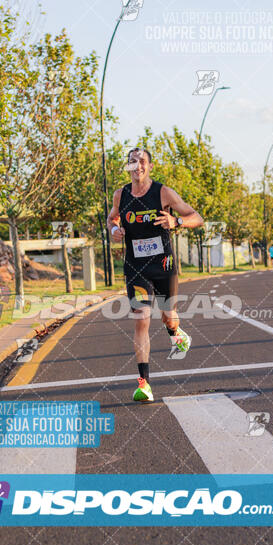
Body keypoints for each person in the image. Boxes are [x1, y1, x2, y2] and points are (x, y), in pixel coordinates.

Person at [107, 147, 204, 402]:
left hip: (163, 265)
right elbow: (112, 219)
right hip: (136, 268)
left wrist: (177, 222)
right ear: (127, 167)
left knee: (169, 317)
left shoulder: (163, 192)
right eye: (132, 162)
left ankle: (176, 333)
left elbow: (197, 217)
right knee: (141, 319)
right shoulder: (121, 195)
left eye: (142, 162)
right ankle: (144, 385)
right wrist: (114, 229)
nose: (137, 165)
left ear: (149, 167)